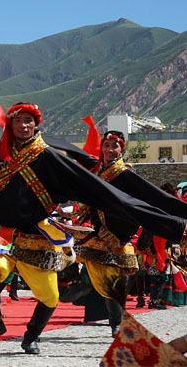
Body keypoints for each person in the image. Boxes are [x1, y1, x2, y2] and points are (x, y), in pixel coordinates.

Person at [0, 80, 187, 354]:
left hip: (36, 235)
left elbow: (104, 193)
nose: (24, 126)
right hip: (3, 231)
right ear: (10, 125)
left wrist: (176, 223)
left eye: (29, 121)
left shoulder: (49, 158)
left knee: (51, 296)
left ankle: (33, 336)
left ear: (35, 126)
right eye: (19, 121)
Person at [59, 130, 187, 335]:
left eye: (115, 146)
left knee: (119, 279)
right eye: (106, 146)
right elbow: (76, 155)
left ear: (121, 150)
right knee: (82, 260)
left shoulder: (126, 174)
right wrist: (50, 143)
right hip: (95, 233)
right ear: (102, 148)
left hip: (120, 237)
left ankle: (114, 320)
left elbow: (153, 196)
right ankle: (86, 287)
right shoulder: (96, 168)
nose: (110, 150)